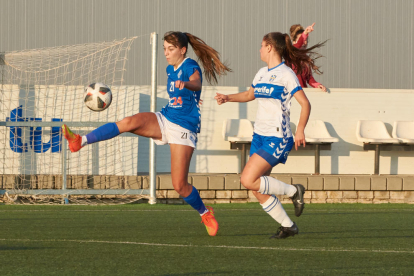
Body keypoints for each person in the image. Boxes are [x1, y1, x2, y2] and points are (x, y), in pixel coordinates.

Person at [62, 31, 231, 237]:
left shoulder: (189, 66)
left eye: (170, 49)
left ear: (182, 50)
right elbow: (184, 97)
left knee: (179, 185)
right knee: (128, 122)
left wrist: (187, 86)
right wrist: (189, 97)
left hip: (184, 128)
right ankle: (80, 141)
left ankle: (205, 212)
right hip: (166, 117)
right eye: (164, 49)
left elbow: (196, 83)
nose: (166, 53)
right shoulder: (170, 69)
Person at [215, 32, 324, 239]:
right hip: (259, 136)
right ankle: (288, 226)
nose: (259, 49)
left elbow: (305, 103)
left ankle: (294, 191)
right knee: (258, 186)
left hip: (278, 137)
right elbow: (249, 94)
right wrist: (227, 98)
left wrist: (299, 129)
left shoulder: (286, 74)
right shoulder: (261, 73)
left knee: (248, 179)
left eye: (261, 45)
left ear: (270, 48)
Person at [290, 23, 327, 92]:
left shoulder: (306, 60)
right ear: (294, 42)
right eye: (301, 40)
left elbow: (309, 78)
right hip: (291, 94)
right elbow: (298, 45)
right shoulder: (291, 55)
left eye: (305, 40)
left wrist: (318, 85)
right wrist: (305, 32)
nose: (304, 42)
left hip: (302, 93)